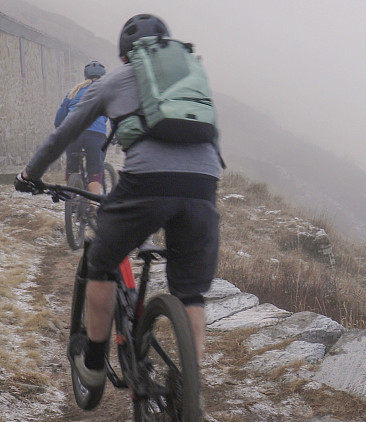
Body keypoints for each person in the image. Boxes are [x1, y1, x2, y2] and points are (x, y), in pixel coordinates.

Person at [15, 14, 221, 392]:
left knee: (101, 262)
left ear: (126, 54)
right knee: (190, 293)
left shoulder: (110, 81)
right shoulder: (192, 78)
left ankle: (93, 363)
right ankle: (189, 387)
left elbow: (61, 136)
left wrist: (29, 176)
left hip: (146, 184)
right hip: (204, 186)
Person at [56, 61, 108, 196]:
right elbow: (115, 116)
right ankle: (93, 205)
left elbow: (60, 117)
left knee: (72, 167)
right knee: (95, 170)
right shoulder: (106, 92)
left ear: (85, 76)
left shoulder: (73, 91)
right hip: (95, 135)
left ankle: (71, 198)